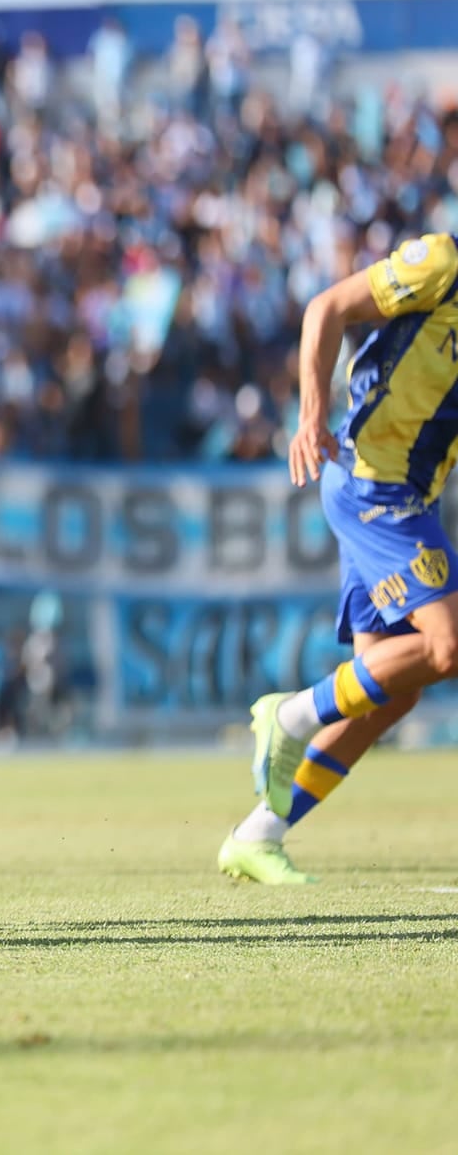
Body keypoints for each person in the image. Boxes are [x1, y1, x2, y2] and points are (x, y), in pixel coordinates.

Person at [232, 232, 458, 884]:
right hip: (372, 485)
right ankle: (291, 715)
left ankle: (258, 833)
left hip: (407, 496)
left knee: (389, 692)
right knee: (445, 647)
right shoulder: (442, 263)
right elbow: (325, 308)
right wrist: (310, 417)